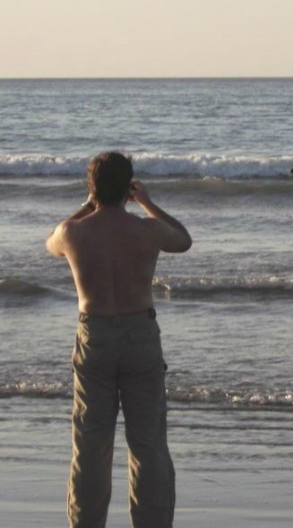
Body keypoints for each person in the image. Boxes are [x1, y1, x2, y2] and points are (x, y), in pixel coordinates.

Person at [46, 151, 192, 528]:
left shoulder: (73, 233)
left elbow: (51, 241)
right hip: (139, 334)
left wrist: (88, 204)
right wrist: (147, 202)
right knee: (148, 444)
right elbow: (184, 239)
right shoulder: (148, 230)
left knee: (91, 446)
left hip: (94, 334)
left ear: (92, 186)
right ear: (128, 186)